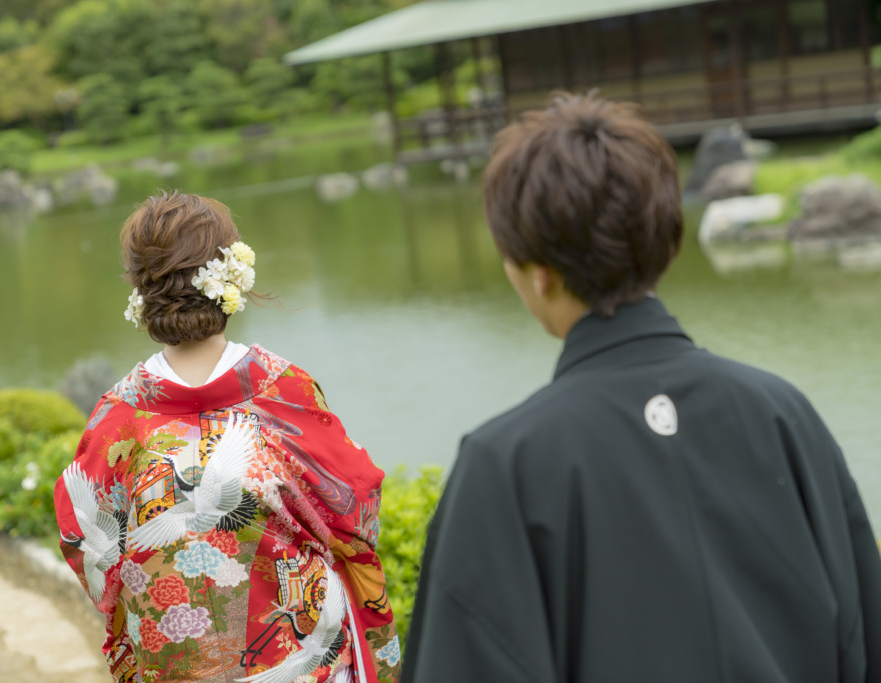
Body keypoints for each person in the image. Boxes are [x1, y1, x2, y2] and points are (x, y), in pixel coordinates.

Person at [403, 93, 881, 682]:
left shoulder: (507, 463)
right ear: (669, 242)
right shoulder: (783, 414)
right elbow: (863, 633)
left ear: (537, 273)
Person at [54, 191, 401, 683]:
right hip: (298, 664)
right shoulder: (281, 391)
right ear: (232, 275)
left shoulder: (117, 418)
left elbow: (85, 542)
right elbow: (354, 511)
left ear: (140, 289)